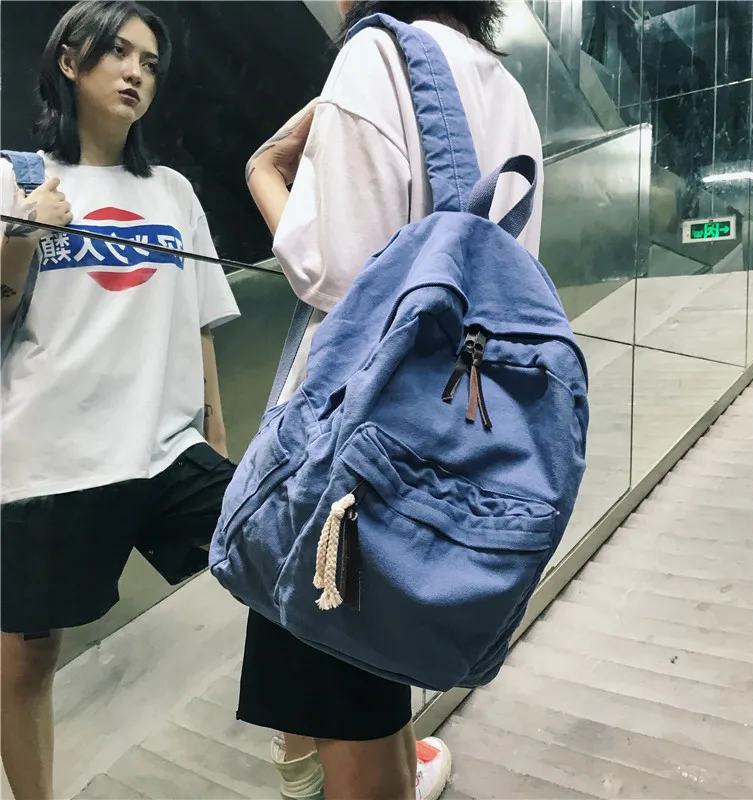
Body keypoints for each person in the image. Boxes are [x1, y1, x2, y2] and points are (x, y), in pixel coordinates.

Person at [242, 2, 544, 799]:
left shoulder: (375, 55)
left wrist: (264, 175)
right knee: (369, 678)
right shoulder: (506, 87)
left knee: (346, 713)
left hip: (349, 462)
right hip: (450, 435)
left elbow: (340, 277)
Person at [0, 3, 239, 798]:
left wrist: (216, 431)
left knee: (281, 574)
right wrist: (23, 234)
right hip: (50, 460)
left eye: (151, 62)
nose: (137, 72)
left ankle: (305, 754)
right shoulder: (15, 179)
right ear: (71, 62)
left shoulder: (172, 193)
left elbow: (199, 321)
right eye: (119, 54)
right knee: (27, 659)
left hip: (168, 453)